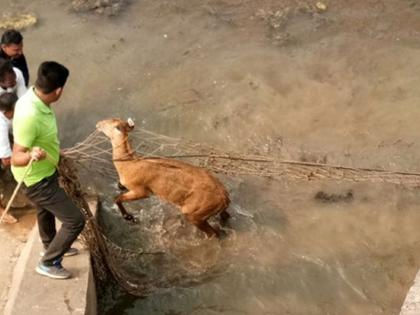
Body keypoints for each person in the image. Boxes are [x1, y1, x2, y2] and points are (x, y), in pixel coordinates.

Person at [11, 61, 85, 279]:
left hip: (46, 172)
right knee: (75, 221)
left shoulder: (33, 97)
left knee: (44, 210)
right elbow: (16, 158)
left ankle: (50, 245)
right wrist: (30, 155)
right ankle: (49, 261)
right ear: (59, 90)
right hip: (36, 180)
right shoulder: (30, 115)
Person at [0, 92, 18, 224]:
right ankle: (1, 212)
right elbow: (6, 160)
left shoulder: (5, 118)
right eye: (16, 109)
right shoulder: (1, 126)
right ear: (7, 111)